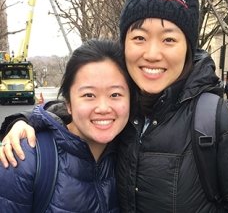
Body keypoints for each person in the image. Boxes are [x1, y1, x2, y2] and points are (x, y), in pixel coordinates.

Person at [1, 0, 228, 212]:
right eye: (139, 37)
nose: (152, 53)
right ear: (124, 44)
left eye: (169, 40)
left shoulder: (215, 119)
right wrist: (24, 122)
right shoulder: (127, 109)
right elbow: (79, 112)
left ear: (188, 49)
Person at [0, 39, 131, 212]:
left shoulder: (133, 152)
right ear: (68, 103)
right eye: (89, 95)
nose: (103, 108)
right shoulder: (25, 158)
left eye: (115, 94)